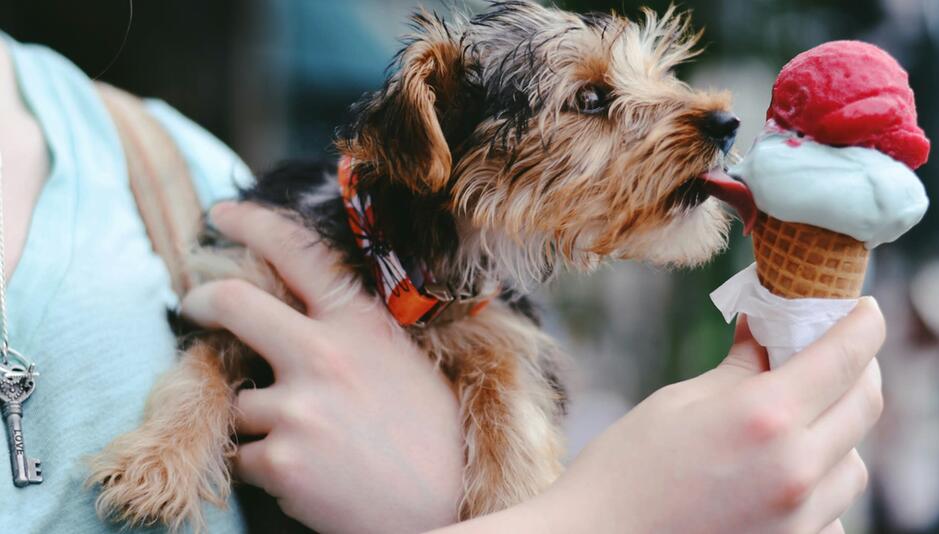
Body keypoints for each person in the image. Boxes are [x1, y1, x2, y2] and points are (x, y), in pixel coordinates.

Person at [2, 32, 884, 534]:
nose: (710, 116)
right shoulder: (260, 224)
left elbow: (520, 473)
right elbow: (215, 343)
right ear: (437, 138)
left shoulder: (169, 167)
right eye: (591, 101)